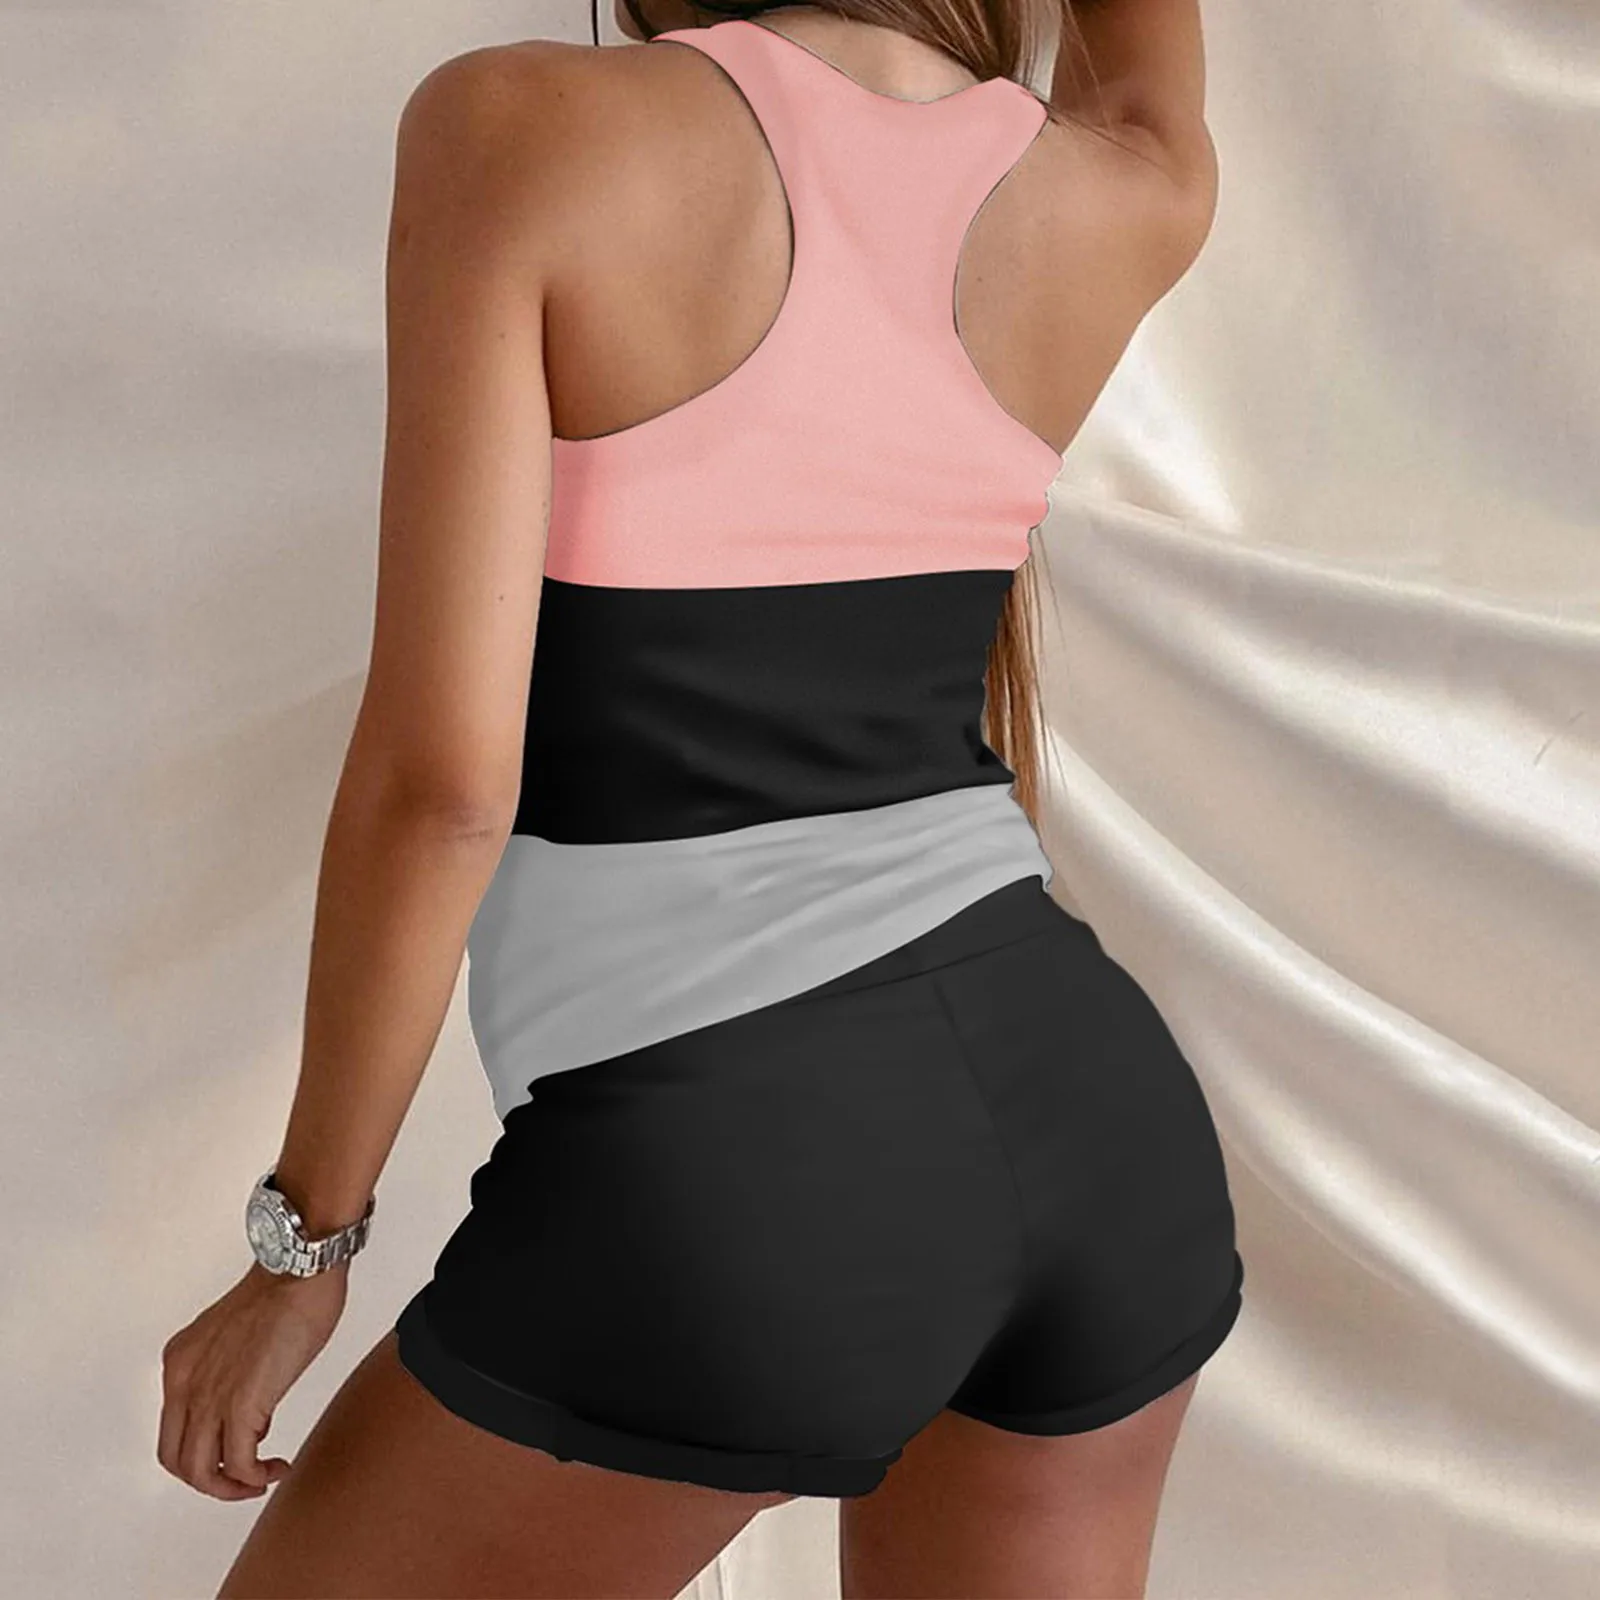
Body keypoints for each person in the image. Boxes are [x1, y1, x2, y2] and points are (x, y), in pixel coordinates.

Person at [157, 2, 1239, 1594]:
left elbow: (443, 788)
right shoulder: (1112, 186)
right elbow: (1151, 82)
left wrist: (303, 1246)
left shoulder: (522, 132)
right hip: (1099, 1131)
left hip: (742, 1166)